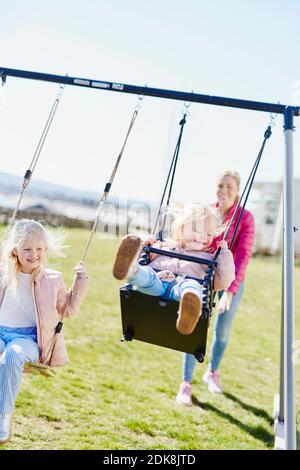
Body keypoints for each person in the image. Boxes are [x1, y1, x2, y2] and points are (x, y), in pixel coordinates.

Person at [0, 219, 88, 444]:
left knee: (13, 355)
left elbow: (67, 309)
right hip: (1, 333)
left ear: (45, 250)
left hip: (28, 338)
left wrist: (81, 280)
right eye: (27, 249)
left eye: (39, 249)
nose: (33, 254)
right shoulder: (3, 273)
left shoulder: (52, 279)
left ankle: (3, 417)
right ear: (15, 250)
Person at [176, 170, 255, 406]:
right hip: (206, 274)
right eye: (221, 185)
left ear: (238, 190)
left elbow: (242, 257)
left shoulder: (246, 218)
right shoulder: (207, 213)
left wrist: (230, 291)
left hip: (231, 278)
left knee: (222, 330)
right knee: (194, 322)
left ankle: (212, 372)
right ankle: (186, 384)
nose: (224, 190)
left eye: (229, 186)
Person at [113, 203, 235, 335]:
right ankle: (131, 270)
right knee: (147, 274)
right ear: (181, 228)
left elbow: (224, 281)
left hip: (180, 292)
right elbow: (143, 258)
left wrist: (224, 252)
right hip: (155, 284)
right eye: (197, 230)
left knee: (191, 285)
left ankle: (190, 307)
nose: (203, 237)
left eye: (209, 234)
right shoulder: (163, 246)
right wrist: (145, 246)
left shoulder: (208, 259)